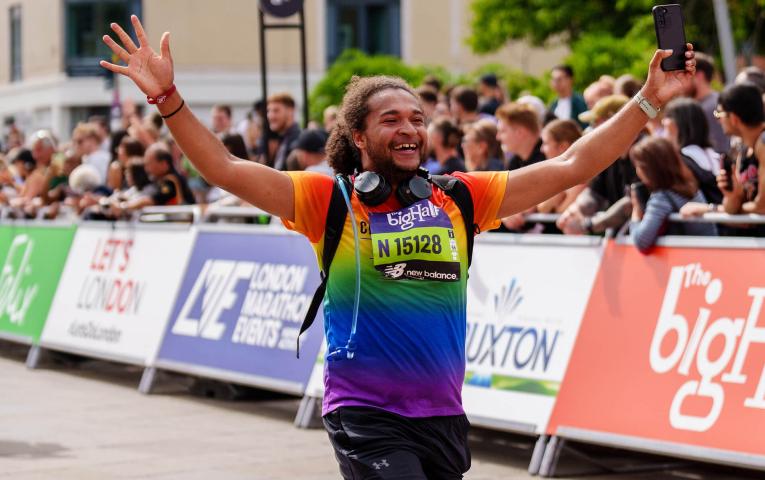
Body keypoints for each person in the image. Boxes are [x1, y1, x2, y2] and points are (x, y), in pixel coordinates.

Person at [100, 16, 694, 477]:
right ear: (358, 136)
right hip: (365, 411)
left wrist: (649, 100)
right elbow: (226, 168)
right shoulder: (327, 200)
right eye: (390, 119)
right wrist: (168, 99)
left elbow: (571, 164)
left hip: (442, 413)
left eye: (416, 117)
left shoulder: (459, 196)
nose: (409, 127)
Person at [629, 137, 717, 253]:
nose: (637, 171)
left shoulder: (662, 198)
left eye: (638, 166)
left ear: (651, 168)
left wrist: (635, 213)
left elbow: (642, 241)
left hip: (691, 260)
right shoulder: (691, 185)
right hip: (709, 254)